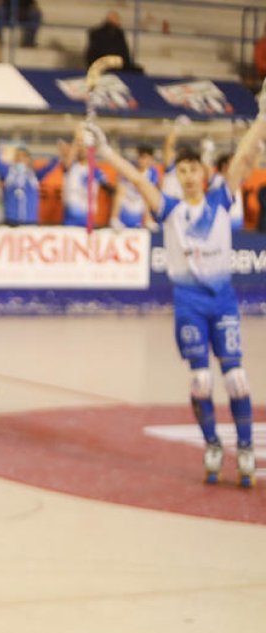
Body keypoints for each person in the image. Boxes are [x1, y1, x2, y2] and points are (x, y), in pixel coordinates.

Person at [86, 87, 262, 487]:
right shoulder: (170, 210)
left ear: (204, 174)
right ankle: (213, 443)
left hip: (223, 303)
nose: (188, 176)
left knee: (236, 379)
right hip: (189, 305)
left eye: (193, 170)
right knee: (201, 381)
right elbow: (134, 179)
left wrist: (263, 116)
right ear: (177, 178)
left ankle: (247, 449)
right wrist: (106, 150)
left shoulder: (220, 199)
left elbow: (243, 157)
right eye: (181, 171)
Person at [0, 134, 59, 225]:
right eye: (17, 156)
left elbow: (49, 168)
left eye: (23, 156)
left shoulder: (34, 175)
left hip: (30, 221)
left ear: (28, 159)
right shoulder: (8, 173)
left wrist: (59, 156)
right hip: (11, 220)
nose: (20, 159)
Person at [59, 129, 109, 227]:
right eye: (81, 148)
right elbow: (68, 160)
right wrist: (77, 139)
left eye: (85, 148)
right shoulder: (71, 166)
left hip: (88, 217)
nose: (82, 151)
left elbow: (109, 189)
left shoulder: (96, 171)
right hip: (70, 216)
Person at [110, 145, 158, 229]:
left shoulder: (153, 173)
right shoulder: (129, 168)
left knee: (147, 197)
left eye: (145, 158)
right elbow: (120, 189)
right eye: (140, 157)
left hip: (139, 200)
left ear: (151, 160)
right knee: (119, 195)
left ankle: (148, 220)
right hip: (127, 197)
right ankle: (114, 219)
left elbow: (149, 193)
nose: (141, 160)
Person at [209, 154, 245, 232]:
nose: (238, 167)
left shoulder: (235, 181)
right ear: (225, 166)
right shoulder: (218, 180)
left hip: (237, 225)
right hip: (223, 226)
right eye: (235, 164)